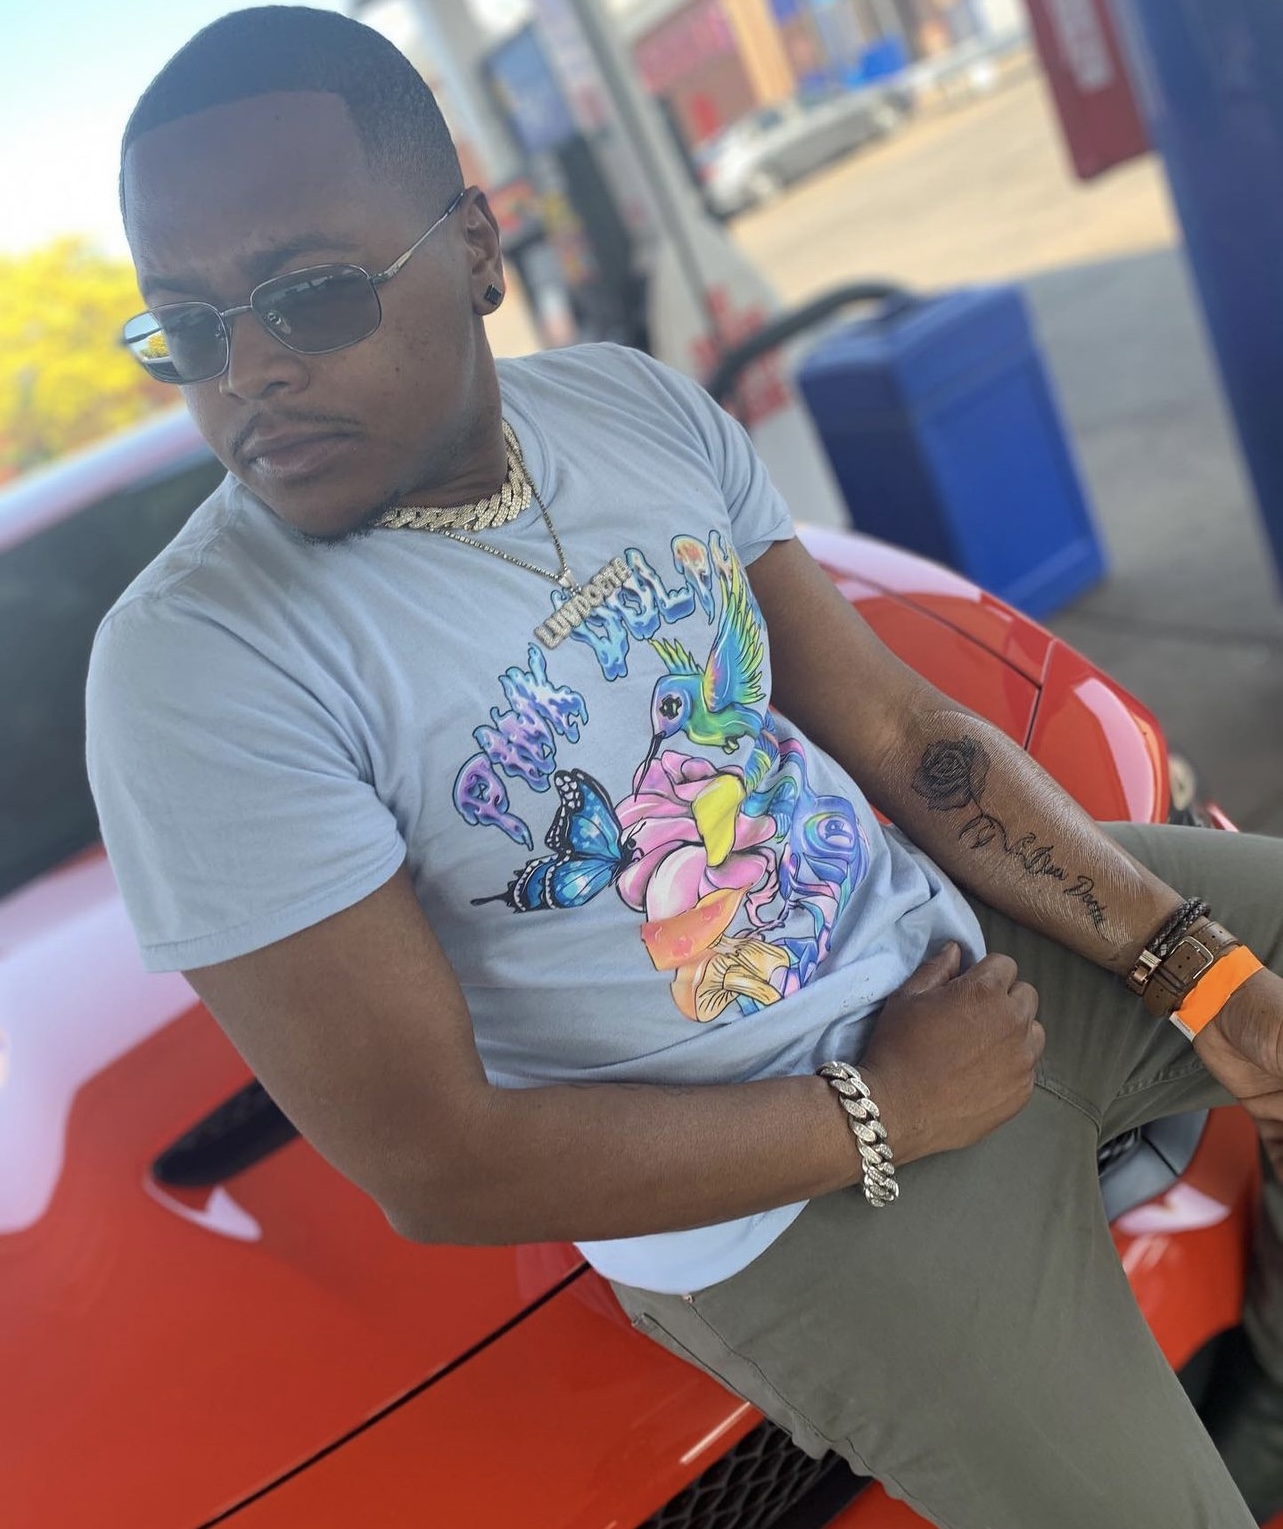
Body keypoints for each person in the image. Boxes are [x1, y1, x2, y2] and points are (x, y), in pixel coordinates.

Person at [88, 8, 1283, 1526]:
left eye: (309, 295)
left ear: (476, 248)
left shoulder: (632, 408)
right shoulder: (199, 667)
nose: (247, 372)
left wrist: (1193, 964)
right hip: (787, 1201)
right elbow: (436, 1163)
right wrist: (886, 1111)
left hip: (971, 953)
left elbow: (903, 736)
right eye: (189, 329)